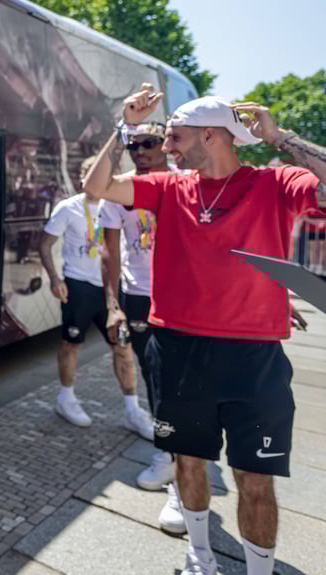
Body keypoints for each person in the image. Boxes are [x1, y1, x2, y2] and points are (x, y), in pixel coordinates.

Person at [84, 87, 326, 575]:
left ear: (210, 136)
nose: (167, 147)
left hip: (253, 359)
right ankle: (200, 555)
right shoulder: (170, 188)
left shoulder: (276, 182)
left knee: (255, 478)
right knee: (188, 461)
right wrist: (122, 126)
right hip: (177, 349)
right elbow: (97, 187)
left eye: (174, 137)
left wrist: (282, 138)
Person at [96, 113, 185, 535]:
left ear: (166, 144)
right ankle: (169, 457)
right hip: (138, 297)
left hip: (184, 297)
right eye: (135, 146)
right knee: (156, 380)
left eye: (151, 143)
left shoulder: (187, 182)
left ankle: (182, 473)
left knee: (182, 384)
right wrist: (113, 303)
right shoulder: (120, 191)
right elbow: (110, 252)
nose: (143, 153)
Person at [38, 157, 153, 438]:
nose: (97, 180)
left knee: (122, 346)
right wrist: (55, 278)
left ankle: (132, 409)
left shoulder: (118, 204)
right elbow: (45, 243)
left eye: (104, 174)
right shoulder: (68, 208)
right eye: (90, 174)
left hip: (112, 288)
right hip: (79, 286)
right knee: (72, 344)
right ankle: (66, 399)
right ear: (82, 177)